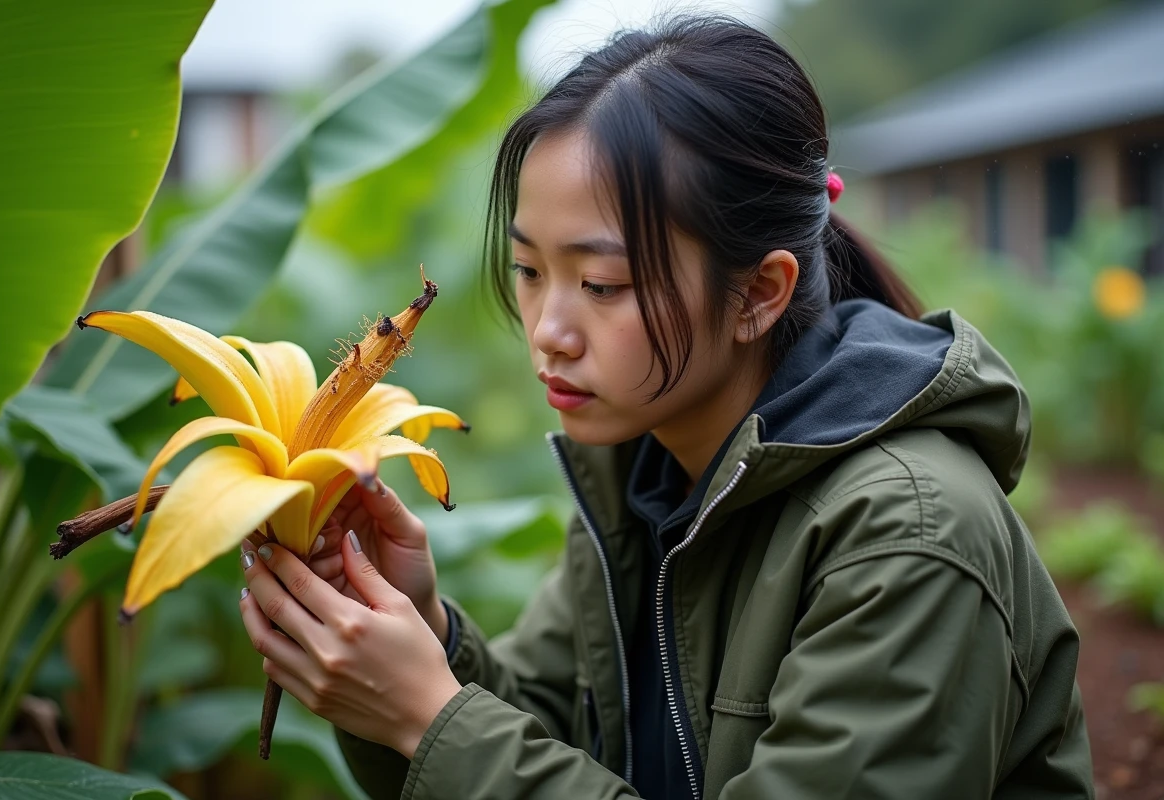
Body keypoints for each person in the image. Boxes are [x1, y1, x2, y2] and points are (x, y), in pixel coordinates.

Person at [237, 15, 1094, 798]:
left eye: (602, 283)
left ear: (759, 293)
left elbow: (474, 745)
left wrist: (427, 718)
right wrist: (424, 636)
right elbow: (552, 730)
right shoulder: (648, 474)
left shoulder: (910, 535)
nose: (548, 332)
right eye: (530, 271)